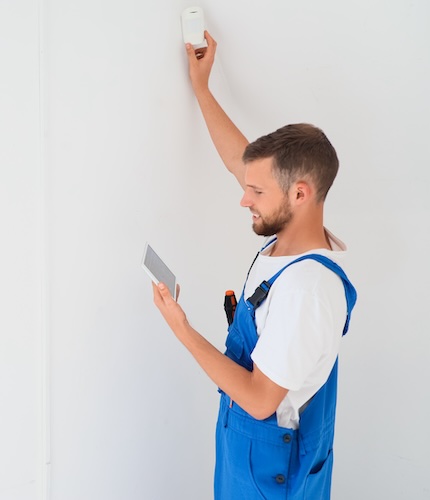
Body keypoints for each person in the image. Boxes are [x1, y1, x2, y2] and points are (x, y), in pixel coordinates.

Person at [152, 31, 357, 499]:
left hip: (269, 474)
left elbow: (262, 401)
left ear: (300, 193)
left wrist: (182, 329)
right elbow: (239, 163)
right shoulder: (290, 237)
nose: (244, 199)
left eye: (257, 192)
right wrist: (202, 89)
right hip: (250, 457)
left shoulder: (306, 290)